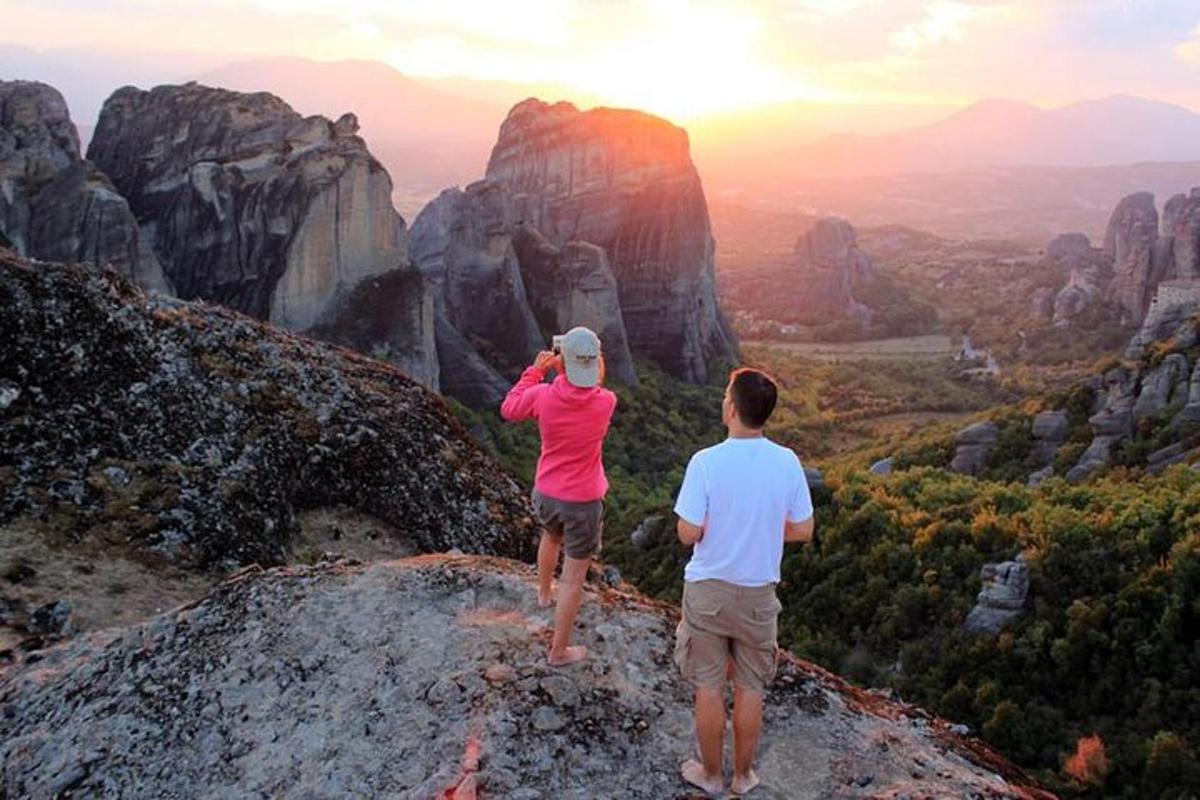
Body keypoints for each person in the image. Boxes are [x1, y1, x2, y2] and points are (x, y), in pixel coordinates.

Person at [673, 367, 815, 796]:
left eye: (724, 396)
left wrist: (720, 525)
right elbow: (804, 529)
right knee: (751, 687)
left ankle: (711, 776)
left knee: (709, 687)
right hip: (758, 595)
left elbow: (688, 532)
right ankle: (743, 777)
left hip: (708, 592)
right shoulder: (787, 461)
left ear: (732, 408)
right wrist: (765, 527)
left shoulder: (706, 462)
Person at [500, 326, 617, 667]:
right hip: (583, 502)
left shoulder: (542, 396)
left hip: (546, 492)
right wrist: (582, 359)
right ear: (595, 363)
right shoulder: (606, 402)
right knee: (574, 578)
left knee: (550, 536)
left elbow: (508, 409)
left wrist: (536, 371)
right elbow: (596, 380)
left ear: (561, 362)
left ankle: (542, 593)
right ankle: (558, 651)